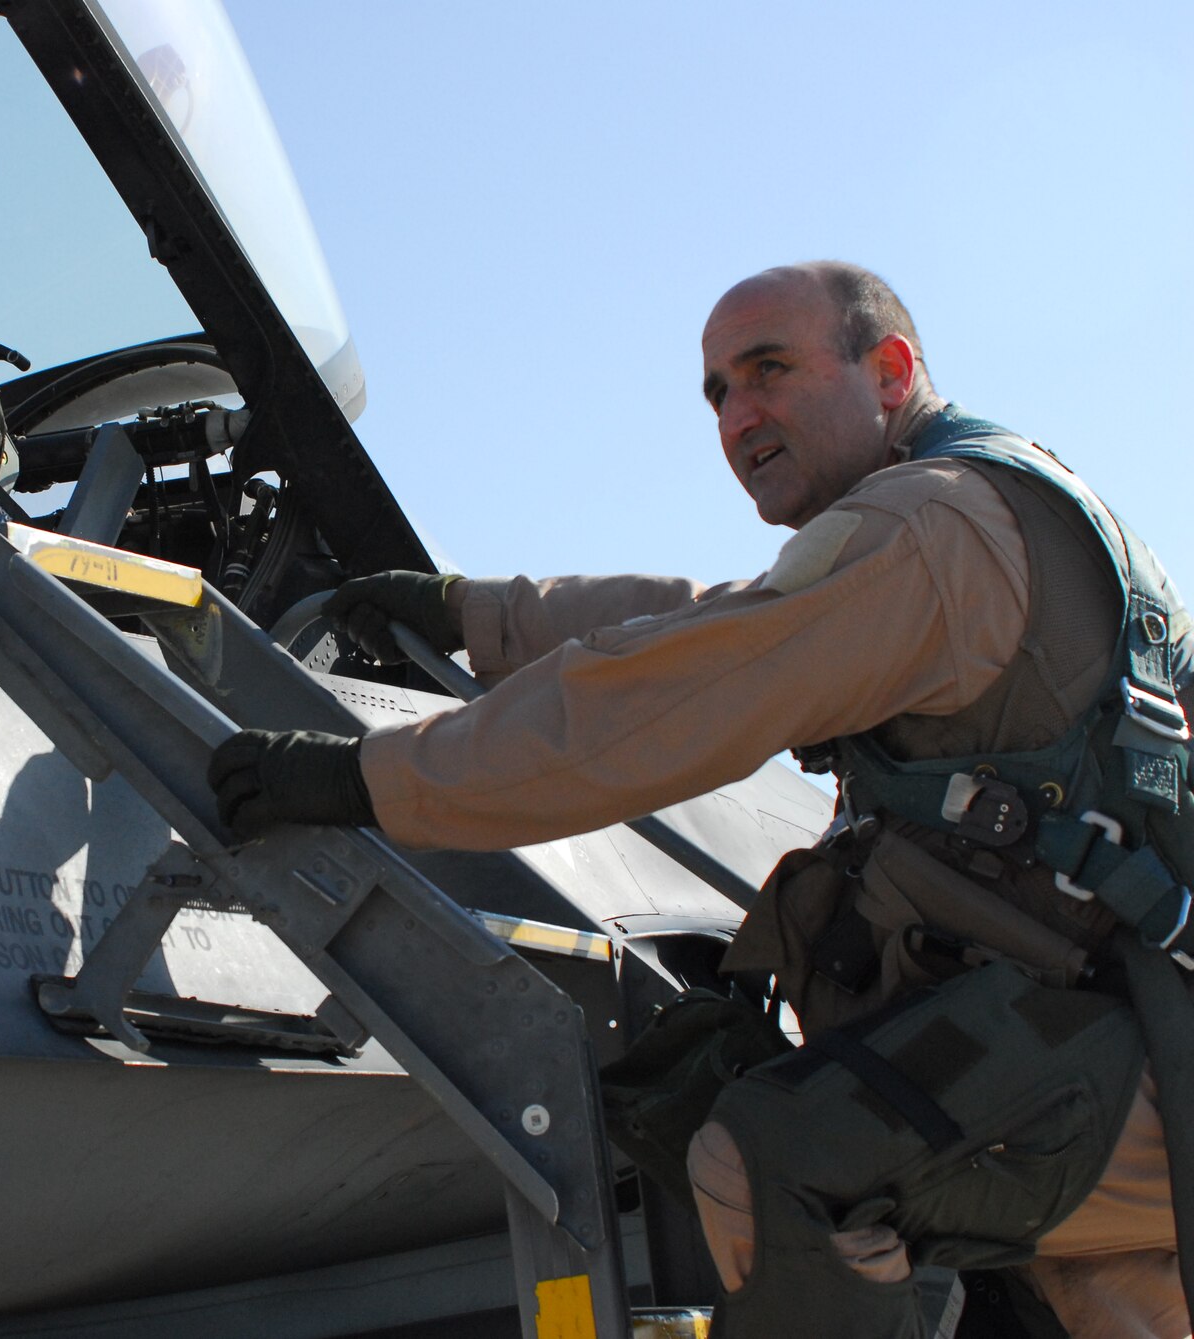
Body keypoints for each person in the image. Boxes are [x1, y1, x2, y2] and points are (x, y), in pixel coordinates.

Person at [207, 263, 1194, 1339]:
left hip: (1124, 1059)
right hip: (1125, 1041)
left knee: (771, 1165)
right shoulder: (987, 502)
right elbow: (722, 620)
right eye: (717, 392)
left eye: (768, 370)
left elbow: (671, 696)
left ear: (888, 371)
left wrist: (361, 778)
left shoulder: (929, 531)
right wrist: (476, 614)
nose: (736, 416)